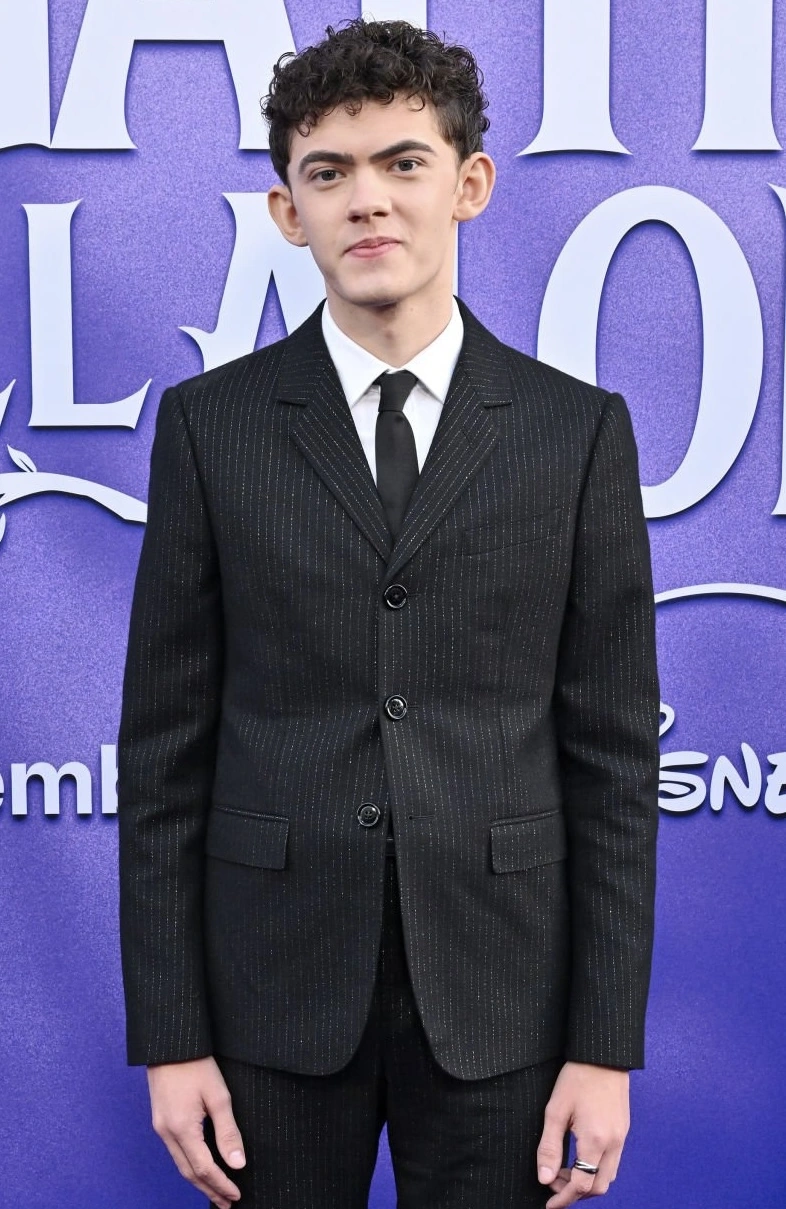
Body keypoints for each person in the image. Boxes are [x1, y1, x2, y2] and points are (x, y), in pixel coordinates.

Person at [118, 18, 659, 1209]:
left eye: (402, 162)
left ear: (469, 184)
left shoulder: (577, 434)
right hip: (268, 998)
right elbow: (162, 758)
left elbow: (615, 762)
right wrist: (170, 1037)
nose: (366, 199)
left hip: (505, 1002)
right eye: (329, 172)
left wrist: (604, 1047)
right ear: (287, 211)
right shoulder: (212, 429)